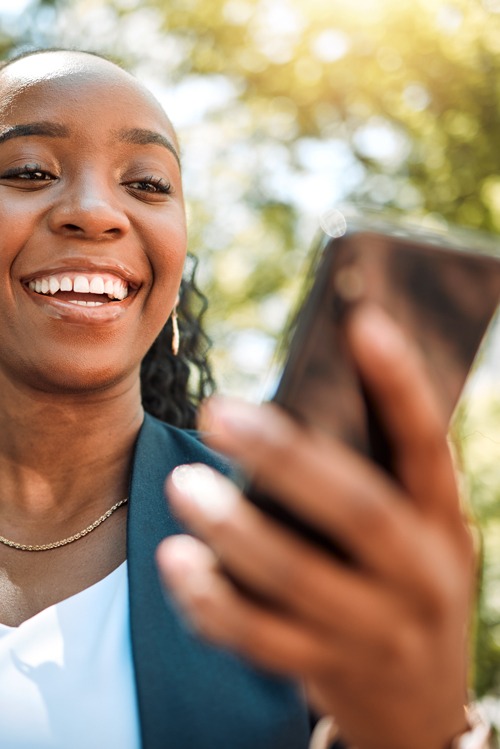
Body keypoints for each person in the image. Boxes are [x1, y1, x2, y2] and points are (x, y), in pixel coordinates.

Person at [0, 46, 486, 749]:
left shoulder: (284, 544)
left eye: (146, 184)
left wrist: (426, 733)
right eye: (29, 171)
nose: (96, 212)